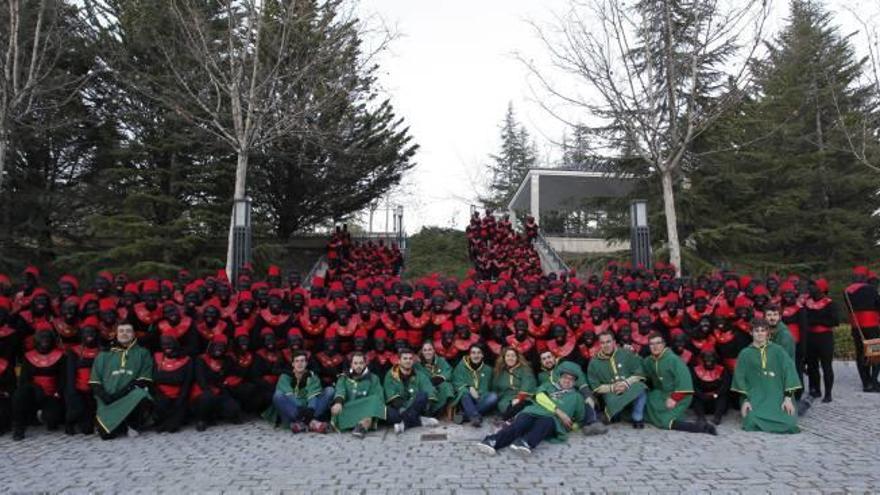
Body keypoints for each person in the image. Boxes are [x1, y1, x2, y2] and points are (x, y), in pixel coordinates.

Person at [476, 361, 585, 456]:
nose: (567, 381)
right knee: (520, 424)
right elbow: (539, 396)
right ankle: (492, 441)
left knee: (544, 424)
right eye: (565, 377)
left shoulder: (577, 397)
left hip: (552, 419)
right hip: (533, 411)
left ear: (575, 382)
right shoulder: (548, 386)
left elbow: (580, 417)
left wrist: (573, 425)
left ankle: (524, 443)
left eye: (571, 379)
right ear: (560, 377)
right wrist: (559, 411)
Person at [731, 318, 801, 434]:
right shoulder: (745, 354)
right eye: (756, 331)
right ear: (751, 333)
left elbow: (790, 372)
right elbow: (739, 378)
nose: (760, 333)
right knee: (751, 422)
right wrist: (745, 401)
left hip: (777, 396)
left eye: (763, 330)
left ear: (767, 333)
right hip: (755, 397)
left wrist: (788, 398)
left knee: (790, 424)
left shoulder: (779, 351)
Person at [89, 323, 153, 439]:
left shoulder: (143, 353)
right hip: (107, 396)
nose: (124, 333)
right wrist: (105, 396)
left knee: (142, 395)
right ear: (116, 334)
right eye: (121, 331)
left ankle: (133, 425)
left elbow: (144, 379)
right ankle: (118, 424)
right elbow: (95, 381)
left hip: (129, 394)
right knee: (107, 435)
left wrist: (122, 393)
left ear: (133, 334)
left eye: (128, 331)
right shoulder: (103, 354)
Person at [642, 333, 716, 434]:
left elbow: (685, 381)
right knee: (647, 406)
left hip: (679, 395)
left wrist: (674, 398)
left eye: (658, 343)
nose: (655, 347)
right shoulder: (649, 361)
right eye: (651, 344)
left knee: (664, 421)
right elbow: (640, 368)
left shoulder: (674, 360)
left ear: (664, 344)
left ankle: (701, 427)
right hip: (661, 394)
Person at [12, 327, 66, 440]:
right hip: (34, 392)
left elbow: (63, 379)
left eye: (47, 337)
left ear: (52, 340)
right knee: (19, 395)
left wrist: (58, 393)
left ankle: (50, 417)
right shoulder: (28, 356)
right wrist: (36, 388)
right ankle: (19, 428)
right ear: (36, 340)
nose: (45, 340)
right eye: (42, 337)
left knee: (52, 419)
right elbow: (24, 380)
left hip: (52, 394)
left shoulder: (60, 356)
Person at [536, 350, 606, 435]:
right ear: (541, 362)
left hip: (572, 396)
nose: (547, 360)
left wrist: (587, 394)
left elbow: (581, 381)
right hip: (557, 401)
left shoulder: (565, 366)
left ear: (554, 358)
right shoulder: (541, 376)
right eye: (544, 359)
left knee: (582, 398)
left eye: (549, 357)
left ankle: (593, 422)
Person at [587, 331, 647, 428]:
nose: (606, 345)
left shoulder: (626, 353)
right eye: (603, 343)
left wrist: (626, 383)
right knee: (615, 415)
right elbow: (595, 386)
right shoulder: (594, 362)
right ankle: (616, 414)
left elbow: (639, 372)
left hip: (629, 387)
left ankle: (637, 418)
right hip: (611, 393)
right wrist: (612, 387)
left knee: (641, 388)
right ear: (599, 344)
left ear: (614, 342)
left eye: (608, 342)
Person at [266, 350, 334, 433]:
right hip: (293, 409)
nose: (299, 364)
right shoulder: (285, 376)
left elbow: (312, 395)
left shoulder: (312, 376)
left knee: (330, 391)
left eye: (302, 361)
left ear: (306, 363)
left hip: (310, 409)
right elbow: (289, 395)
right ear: (293, 364)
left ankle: (301, 424)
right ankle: (312, 423)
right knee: (278, 395)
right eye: (297, 361)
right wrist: (300, 408)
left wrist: (310, 409)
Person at [191, 334, 242, 431]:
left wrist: (226, 382)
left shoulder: (228, 360)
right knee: (207, 398)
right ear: (211, 346)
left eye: (222, 346)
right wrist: (209, 387)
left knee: (233, 409)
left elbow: (234, 373)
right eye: (216, 345)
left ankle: (218, 415)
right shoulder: (201, 359)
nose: (219, 349)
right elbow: (200, 378)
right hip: (203, 390)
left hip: (220, 389)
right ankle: (201, 420)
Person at [383, 348, 439, 434]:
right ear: (399, 361)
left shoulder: (419, 374)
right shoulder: (390, 375)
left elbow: (428, 388)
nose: (408, 361)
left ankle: (404, 424)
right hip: (399, 408)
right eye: (405, 358)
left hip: (414, 404)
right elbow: (391, 395)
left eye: (410, 358)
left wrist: (429, 402)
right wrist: (403, 409)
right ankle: (419, 420)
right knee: (388, 413)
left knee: (423, 395)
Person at [330, 352, 385, 438]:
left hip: (366, 409)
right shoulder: (344, 377)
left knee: (375, 400)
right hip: (348, 408)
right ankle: (360, 424)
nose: (358, 366)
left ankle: (362, 426)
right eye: (355, 363)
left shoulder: (373, 378)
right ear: (351, 364)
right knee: (338, 411)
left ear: (365, 364)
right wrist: (338, 403)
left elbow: (377, 398)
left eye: (361, 363)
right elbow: (340, 390)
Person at [844, 266, 880, 392]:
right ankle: (874, 381)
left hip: (856, 327)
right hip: (871, 325)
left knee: (860, 354)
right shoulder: (870, 289)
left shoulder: (847, 291)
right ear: (864, 277)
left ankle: (866, 383)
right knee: (874, 353)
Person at [151, 335, 194, 433]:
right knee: (161, 404)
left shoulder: (187, 359)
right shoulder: (156, 357)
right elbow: (154, 378)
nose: (167, 346)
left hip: (179, 395)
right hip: (161, 394)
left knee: (172, 428)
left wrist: (162, 378)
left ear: (176, 343)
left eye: (170, 343)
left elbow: (187, 382)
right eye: (164, 344)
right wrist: (174, 379)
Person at [805, 279, 838, 402]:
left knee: (826, 366)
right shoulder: (807, 303)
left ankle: (828, 393)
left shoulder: (830, 303)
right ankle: (816, 390)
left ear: (821, 289)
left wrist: (817, 321)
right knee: (812, 366)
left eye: (814, 286)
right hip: (810, 337)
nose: (810, 288)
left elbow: (835, 321)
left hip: (825, 338)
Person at [64, 325, 101, 435]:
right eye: (86, 332)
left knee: (87, 430)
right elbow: (70, 374)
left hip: (94, 390)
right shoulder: (74, 351)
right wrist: (72, 393)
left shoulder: (102, 351)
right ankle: (69, 423)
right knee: (77, 409)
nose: (89, 335)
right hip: (78, 390)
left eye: (92, 332)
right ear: (81, 335)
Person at [451, 344, 497, 427]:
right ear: (469, 355)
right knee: (464, 392)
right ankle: (475, 416)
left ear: (482, 355)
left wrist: (480, 395)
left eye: (479, 353)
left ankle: (464, 415)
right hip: (466, 400)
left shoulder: (488, 370)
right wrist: (469, 387)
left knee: (493, 396)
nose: (476, 355)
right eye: (473, 353)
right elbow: (456, 382)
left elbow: (491, 387)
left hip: (481, 398)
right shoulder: (461, 367)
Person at [491, 347, 536, 421]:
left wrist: (519, 398)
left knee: (521, 408)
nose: (510, 358)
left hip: (523, 398)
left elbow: (528, 383)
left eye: (513, 356)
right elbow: (495, 387)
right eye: (508, 356)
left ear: (517, 357)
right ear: (504, 358)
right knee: (504, 407)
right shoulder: (499, 371)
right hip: (506, 399)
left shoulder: (525, 369)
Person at [692, 351, 731, 425]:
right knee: (695, 397)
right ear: (702, 359)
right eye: (706, 357)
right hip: (702, 398)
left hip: (716, 398)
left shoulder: (722, 370)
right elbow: (694, 386)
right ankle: (701, 417)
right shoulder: (695, 370)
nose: (708, 360)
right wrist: (701, 395)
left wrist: (716, 394)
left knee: (723, 397)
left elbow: (725, 386)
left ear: (715, 359)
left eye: (711, 357)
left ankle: (717, 417)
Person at [416, 341, 453, 416]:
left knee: (446, 385)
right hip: (426, 389)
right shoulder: (417, 365)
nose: (427, 352)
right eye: (425, 350)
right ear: (422, 352)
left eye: (430, 349)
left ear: (434, 350)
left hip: (439, 387)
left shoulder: (441, 360)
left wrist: (440, 378)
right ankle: (429, 411)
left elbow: (449, 371)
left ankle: (447, 410)